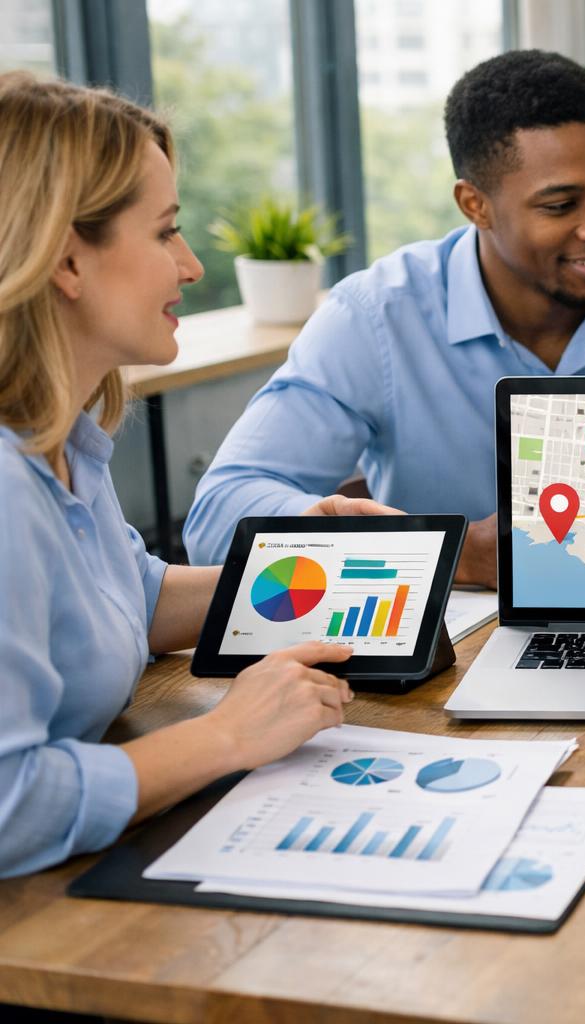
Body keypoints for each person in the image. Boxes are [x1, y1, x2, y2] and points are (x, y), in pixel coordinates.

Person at [184, 50, 585, 585]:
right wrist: (448, 554)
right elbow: (218, 516)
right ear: (476, 205)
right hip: (459, 662)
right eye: (561, 204)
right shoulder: (376, 319)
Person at [0, 73, 392, 877]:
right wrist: (224, 735)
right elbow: (9, 805)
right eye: (166, 232)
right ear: (68, 259)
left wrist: (309, 570)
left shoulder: (64, 438)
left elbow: (128, 599)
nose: (189, 265)